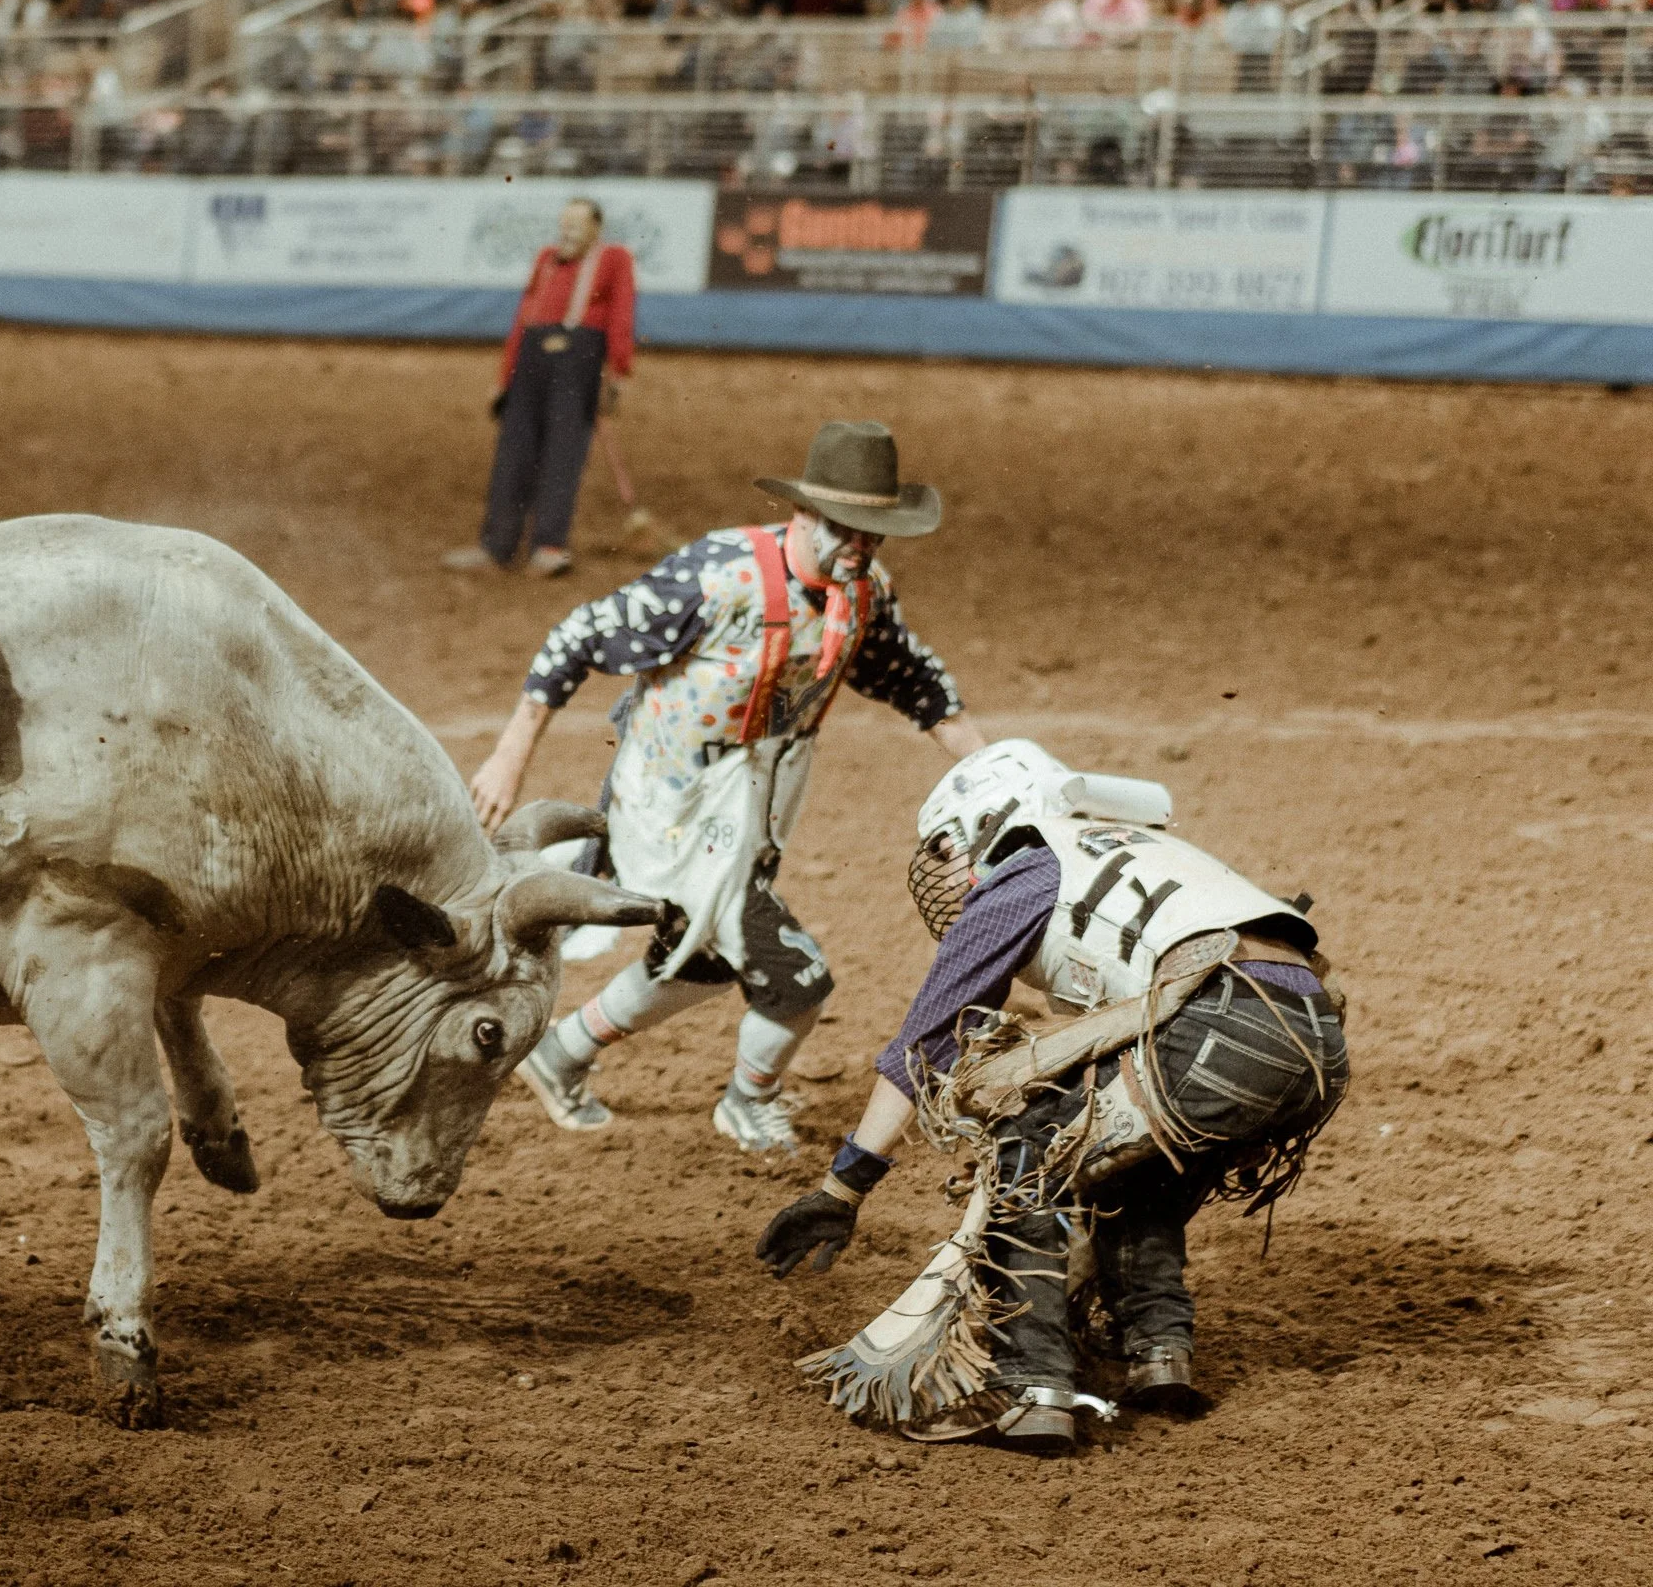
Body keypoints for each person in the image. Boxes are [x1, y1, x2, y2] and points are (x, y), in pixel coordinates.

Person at [755, 738, 1349, 1454]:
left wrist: (843, 1187)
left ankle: (1029, 1386)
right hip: (1317, 1042)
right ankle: (1157, 1350)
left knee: (1029, 1144)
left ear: (986, 824)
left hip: (1225, 1031)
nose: (944, 871)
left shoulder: (1029, 871)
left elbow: (927, 1041)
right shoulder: (1139, 846)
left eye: (945, 848)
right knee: (1135, 1164)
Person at [468, 421, 985, 1152]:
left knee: (702, 959)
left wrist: (995, 780)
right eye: (847, 529)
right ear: (803, 516)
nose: (861, 547)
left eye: (876, 533)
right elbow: (579, 636)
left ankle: (560, 1053)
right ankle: (748, 1100)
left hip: (753, 808)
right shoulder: (718, 577)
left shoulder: (860, 597)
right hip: (672, 807)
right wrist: (509, 756)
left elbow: (921, 687)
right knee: (796, 978)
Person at [443, 196, 636, 579]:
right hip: (531, 359)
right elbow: (524, 315)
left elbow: (622, 313)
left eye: (576, 224)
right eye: (564, 223)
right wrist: (504, 377)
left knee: (563, 455)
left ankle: (548, 546)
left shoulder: (614, 259)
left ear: (595, 228)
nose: (567, 231)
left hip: (578, 358)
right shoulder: (546, 259)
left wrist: (618, 371)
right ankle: (496, 546)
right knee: (513, 451)